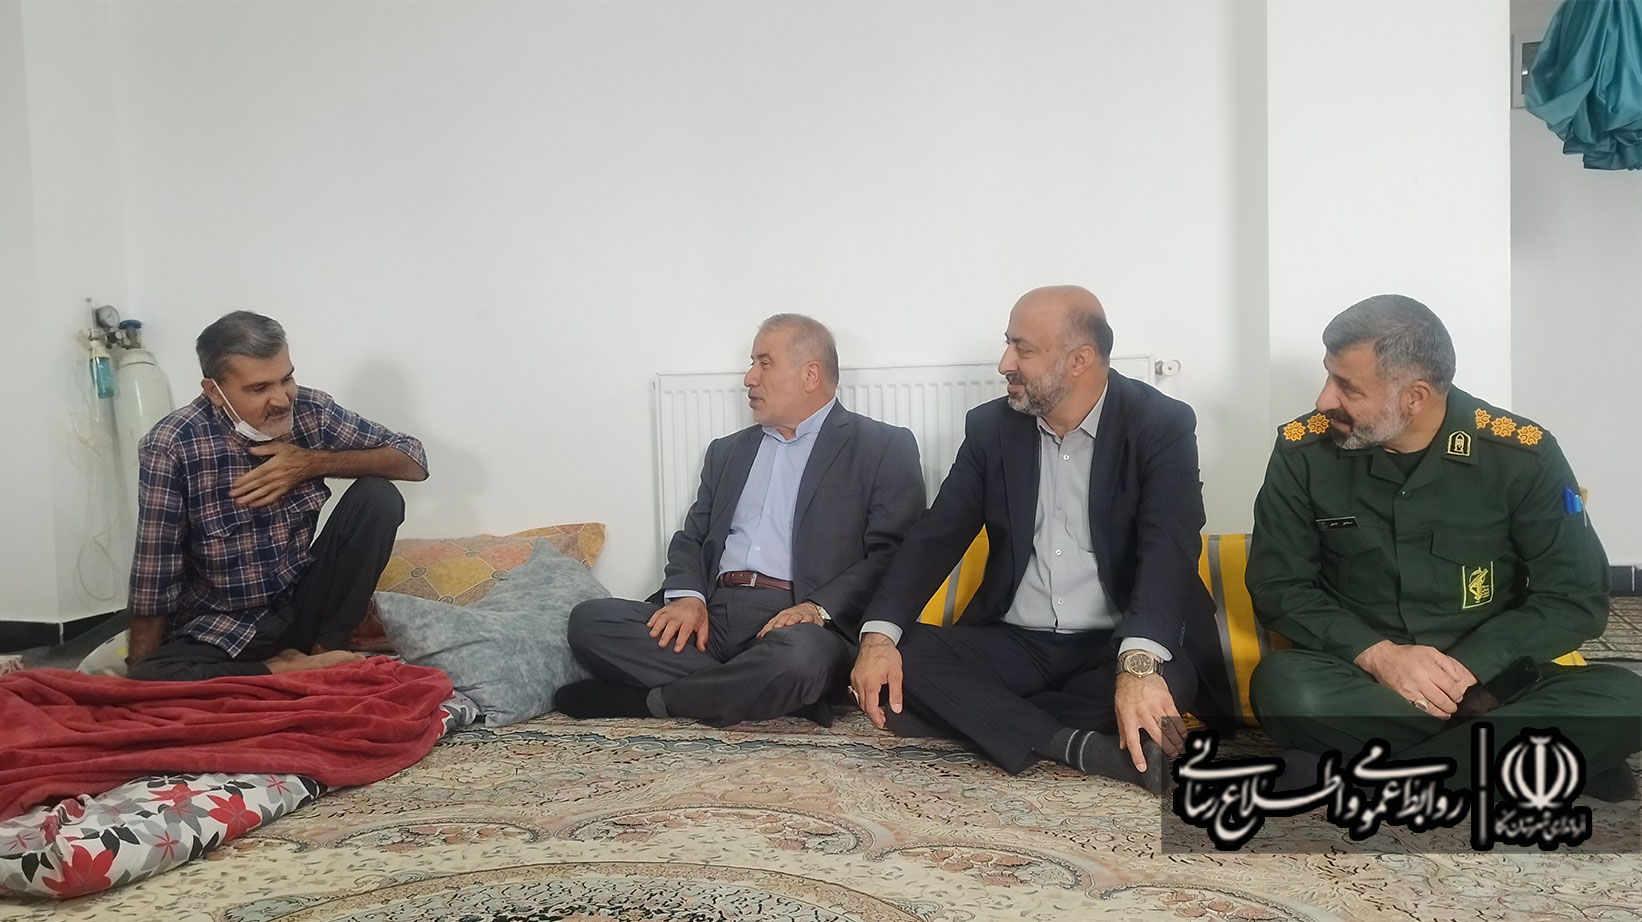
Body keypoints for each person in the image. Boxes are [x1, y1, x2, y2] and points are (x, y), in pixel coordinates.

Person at [1247, 294, 1642, 798]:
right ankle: (1543, 761)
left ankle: (1366, 772)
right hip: (1367, 683)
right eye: (1329, 376)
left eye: (1347, 386)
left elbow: (1575, 596)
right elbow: (1279, 585)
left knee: (1628, 698)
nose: (1325, 400)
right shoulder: (1302, 452)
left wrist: (1468, 669)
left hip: (1499, 686)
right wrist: (1381, 657)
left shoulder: (1522, 455)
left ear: (1415, 396)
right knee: (1285, 689)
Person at [848, 286, 1233, 792]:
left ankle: (990, 719)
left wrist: (1137, 668)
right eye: (1008, 343)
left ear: (1079, 360)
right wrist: (879, 638)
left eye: (1022, 349)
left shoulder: (1160, 423)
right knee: (902, 658)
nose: (1004, 363)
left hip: (1115, 641)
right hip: (1014, 641)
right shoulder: (992, 427)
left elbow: (1169, 547)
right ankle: (1072, 744)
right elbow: (936, 534)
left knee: (1163, 683)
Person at [557, 314, 925, 726]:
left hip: (798, 621)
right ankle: (766, 692)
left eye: (764, 363)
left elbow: (893, 554)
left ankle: (655, 702)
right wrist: (688, 598)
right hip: (711, 614)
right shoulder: (728, 451)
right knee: (589, 622)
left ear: (810, 374)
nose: (749, 379)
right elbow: (692, 535)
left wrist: (818, 608)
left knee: (800, 660)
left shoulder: (882, 446)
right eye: (752, 364)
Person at [126, 311, 428, 681]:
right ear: (214, 392)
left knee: (378, 497)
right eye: (259, 389)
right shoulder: (172, 445)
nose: (282, 399)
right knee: (149, 678)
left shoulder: (312, 412)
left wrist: (310, 463)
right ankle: (281, 668)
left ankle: (327, 650)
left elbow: (413, 460)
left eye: (287, 379)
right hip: (222, 629)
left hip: (300, 608)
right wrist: (139, 673)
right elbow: (155, 574)